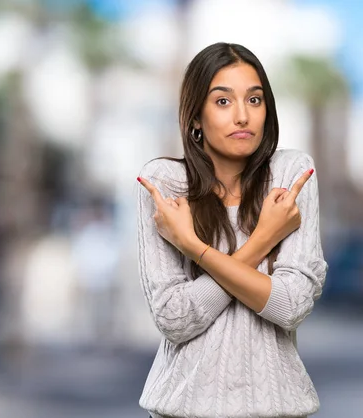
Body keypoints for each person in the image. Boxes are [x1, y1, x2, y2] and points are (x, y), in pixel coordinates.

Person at [136, 42, 328, 418]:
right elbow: (174, 319)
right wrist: (263, 240)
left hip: (277, 409)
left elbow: (290, 306)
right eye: (223, 101)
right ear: (195, 118)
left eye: (254, 100)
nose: (243, 116)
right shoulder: (165, 184)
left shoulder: (291, 176)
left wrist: (194, 247)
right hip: (181, 410)